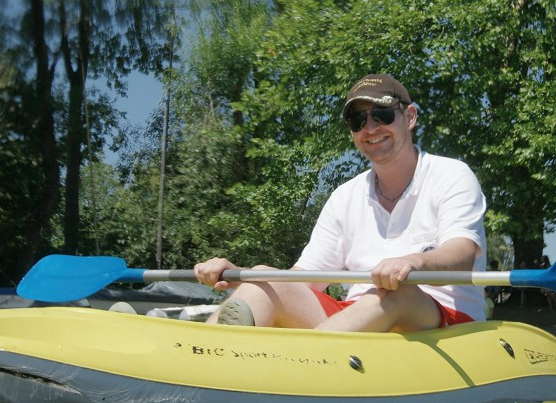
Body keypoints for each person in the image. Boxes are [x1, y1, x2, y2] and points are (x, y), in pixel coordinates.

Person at [194, 73, 487, 332]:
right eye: (358, 121)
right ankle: (200, 358)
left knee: (396, 292)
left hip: (442, 318)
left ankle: (299, 366)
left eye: (382, 114)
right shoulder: (344, 196)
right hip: (359, 318)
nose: (370, 128)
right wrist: (240, 277)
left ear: (409, 117)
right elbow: (307, 277)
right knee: (261, 278)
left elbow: (461, 253)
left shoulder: (451, 174)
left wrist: (413, 262)